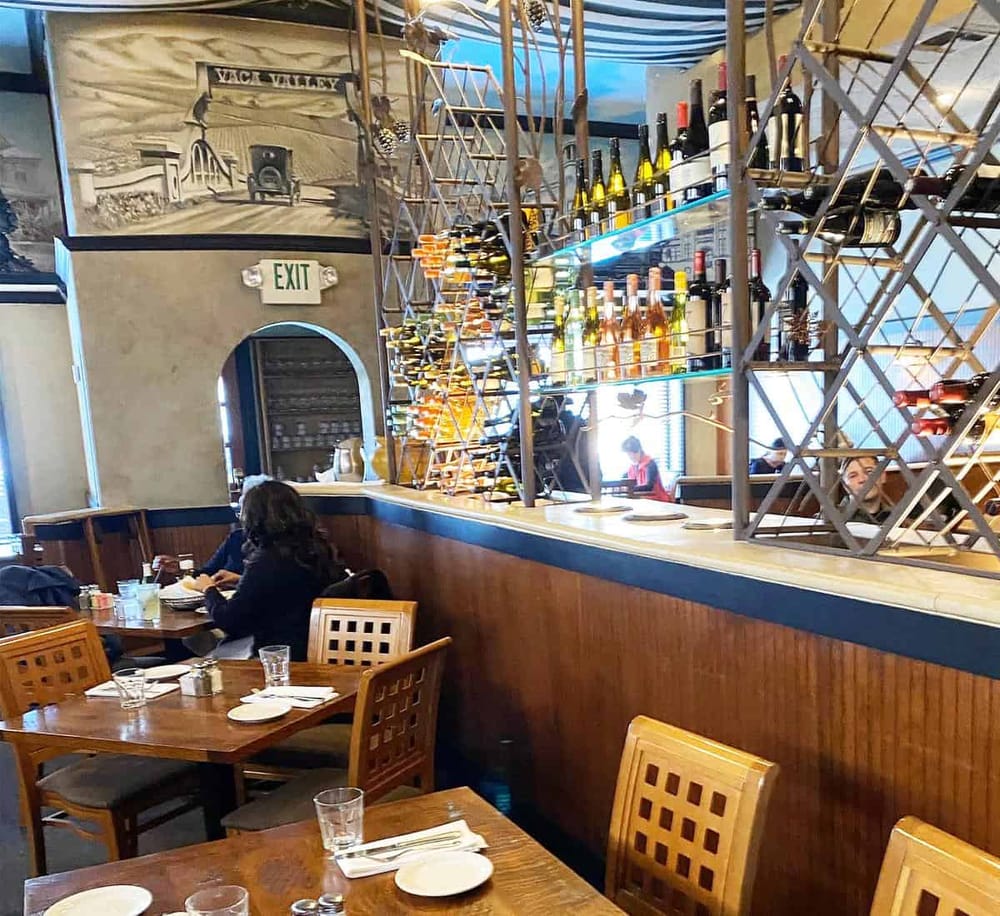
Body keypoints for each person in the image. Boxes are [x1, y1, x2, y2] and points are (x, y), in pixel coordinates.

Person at [190, 480, 347, 660]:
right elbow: (290, 591)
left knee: (202, 660)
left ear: (253, 519)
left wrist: (208, 590)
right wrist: (240, 579)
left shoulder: (266, 560)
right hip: (318, 645)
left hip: (280, 654)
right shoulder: (317, 548)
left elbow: (230, 620)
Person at [153, 474, 270, 588]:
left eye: (245, 510)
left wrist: (239, 580)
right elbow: (208, 572)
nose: (242, 516)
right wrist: (180, 569)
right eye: (241, 510)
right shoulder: (236, 537)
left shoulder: (280, 546)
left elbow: (274, 586)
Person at [622, 435, 673, 502]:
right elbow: (626, 482)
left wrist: (630, 489)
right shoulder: (632, 467)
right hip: (643, 500)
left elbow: (649, 486)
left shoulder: (650, 464)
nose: (632, 456)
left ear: (639, 450)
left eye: (634, 453)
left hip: (657, 500)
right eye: (629, 454)